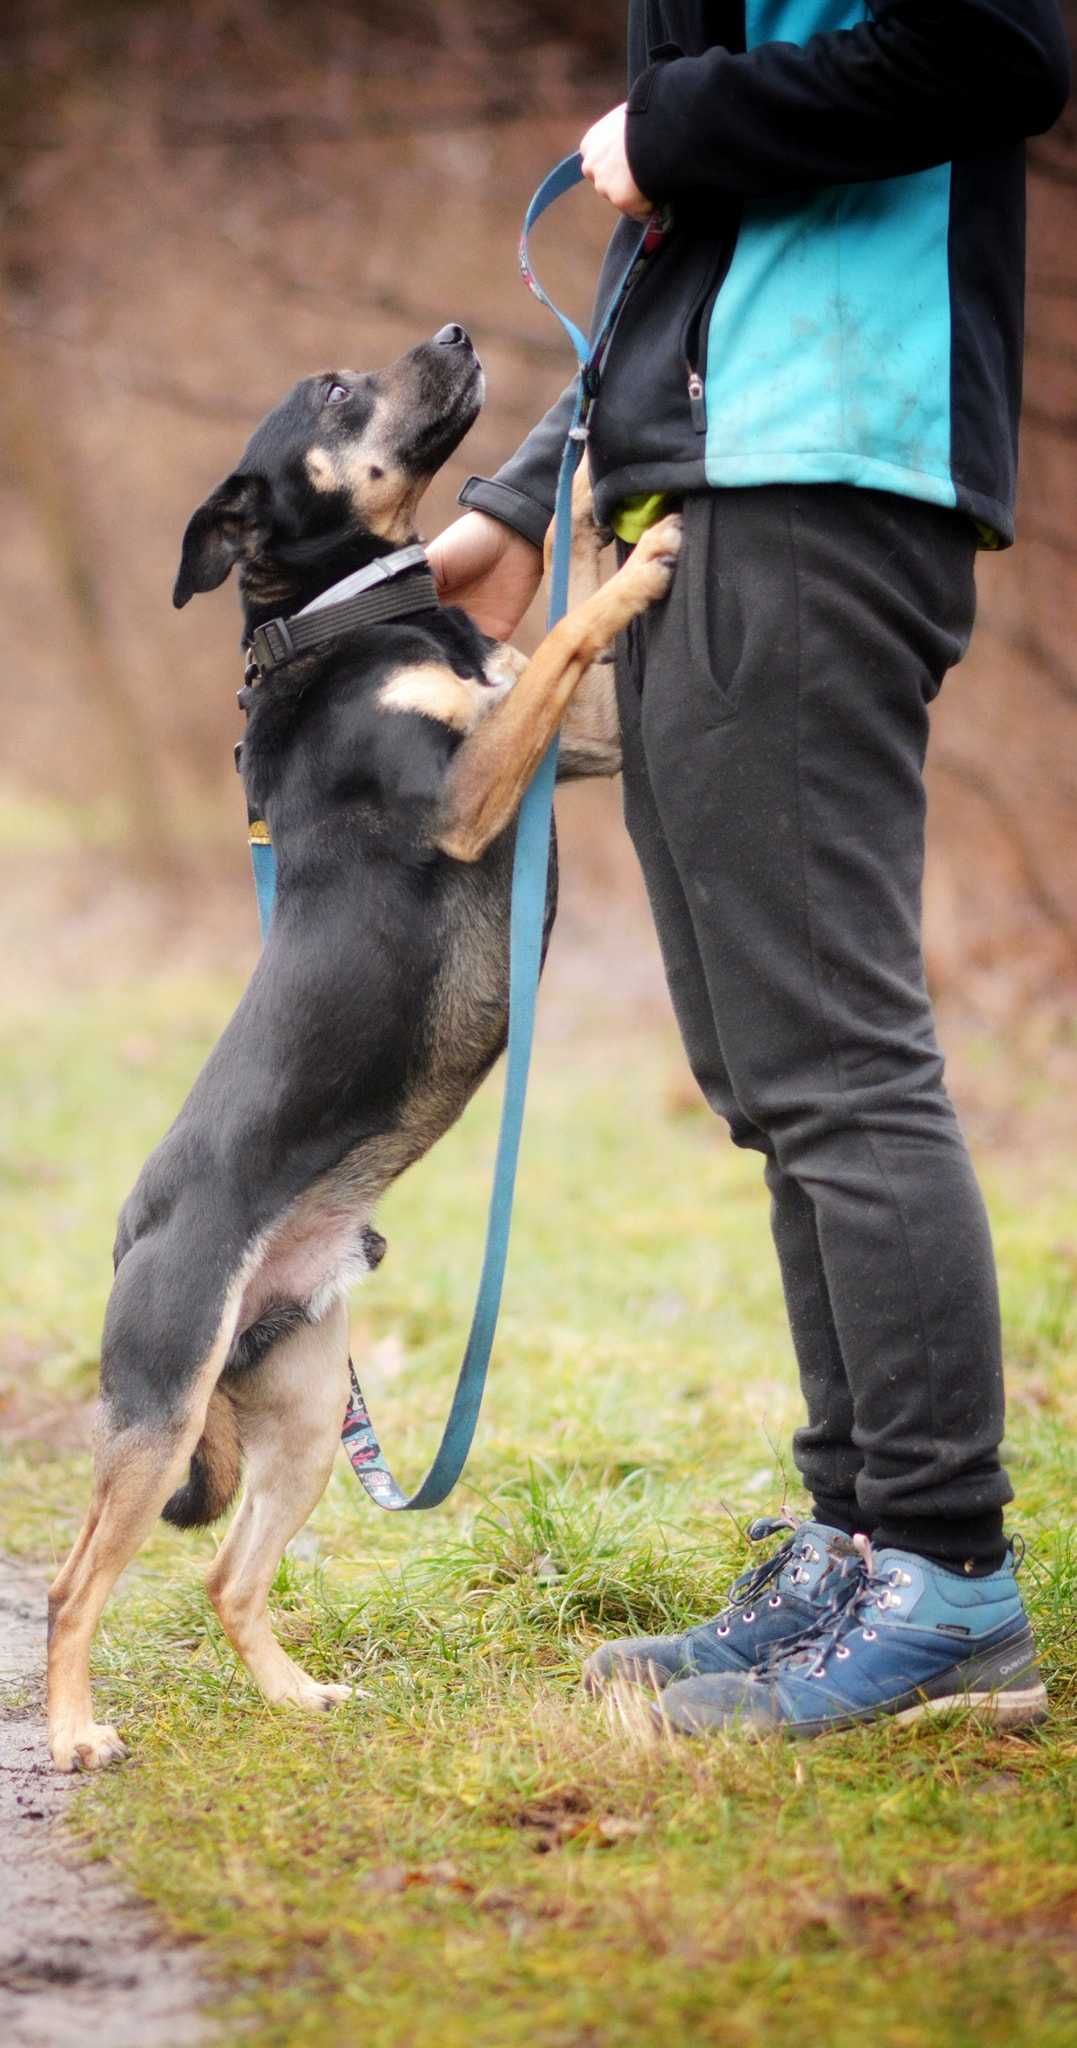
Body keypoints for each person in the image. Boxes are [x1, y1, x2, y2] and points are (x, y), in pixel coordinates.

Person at [427, 1, 1071, 1738]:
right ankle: (860, 1535)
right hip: (702, 493)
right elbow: (697, 267)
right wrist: (526, 482)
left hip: (818, 478)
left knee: (838, 1064)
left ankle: (945, 1579)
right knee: (768, 1071)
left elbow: (998, 48)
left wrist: (680, 120)